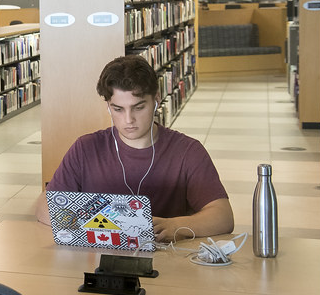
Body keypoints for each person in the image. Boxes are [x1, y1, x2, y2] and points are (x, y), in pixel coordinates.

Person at [36, 55, 233, 242]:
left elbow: (223, 216)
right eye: (118, 109)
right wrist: (93, 224)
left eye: (138, 107)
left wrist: (176, 225)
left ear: (156, 99)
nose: (128, 120)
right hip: (96, 259)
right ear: (108, 105)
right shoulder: (85, 149)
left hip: (165, 263)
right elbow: (45, 206)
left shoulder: (188, 152)